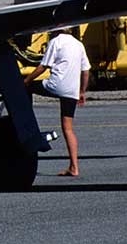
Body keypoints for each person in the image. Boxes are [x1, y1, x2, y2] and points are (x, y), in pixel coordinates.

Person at [22, 27, 91, 177]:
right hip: (72, 90)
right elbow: (86, 71)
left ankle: (26, 124)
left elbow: (43, 66)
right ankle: (74, 167)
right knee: (68, 129)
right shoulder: (79, 44)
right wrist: (82, 92)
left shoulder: (55, 42)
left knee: (26, 89)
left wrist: (26, 80)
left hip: (56, 85)